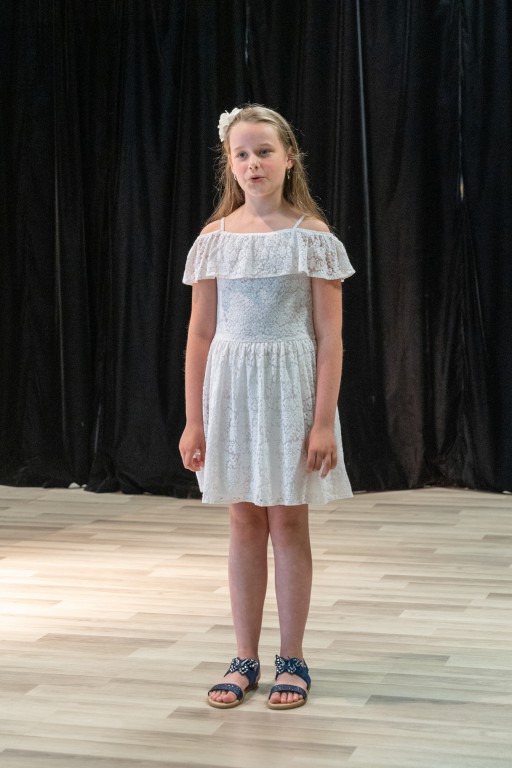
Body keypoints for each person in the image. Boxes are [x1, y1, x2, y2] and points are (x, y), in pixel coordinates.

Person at [179, 104, 355, 710]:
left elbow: (329, 338)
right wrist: (195, 419)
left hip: (289, 391)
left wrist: (323, 421)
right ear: (229, 165)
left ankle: (293, 658)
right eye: (242, 154)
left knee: (288, 521)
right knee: (243, 520)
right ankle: (244, 656)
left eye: (264, 151)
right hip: (232, 391)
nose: (253, 163)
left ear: (289, 159)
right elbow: (200, 334)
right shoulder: (214, 239)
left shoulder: (312, 237)